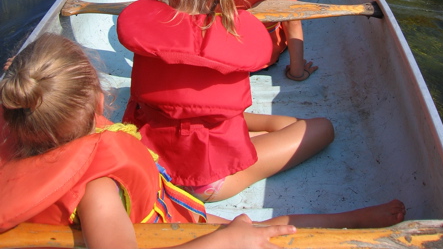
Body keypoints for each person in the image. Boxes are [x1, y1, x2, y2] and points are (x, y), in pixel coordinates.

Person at [117, 0, 405, 229]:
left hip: (151, 162)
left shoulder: (145, 30)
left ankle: (264, 127)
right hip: (207, 179)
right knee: (321, 128)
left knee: (270, 123)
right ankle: (348, 218)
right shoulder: (239, 34)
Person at [0, 33, 298, 248]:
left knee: (257, 228)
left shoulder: (24, 136)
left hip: (173, 209)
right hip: (166, 233)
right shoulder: (99, 190)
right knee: (257, 232)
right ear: (100, 99)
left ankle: (345, 219)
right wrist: (225, 242)